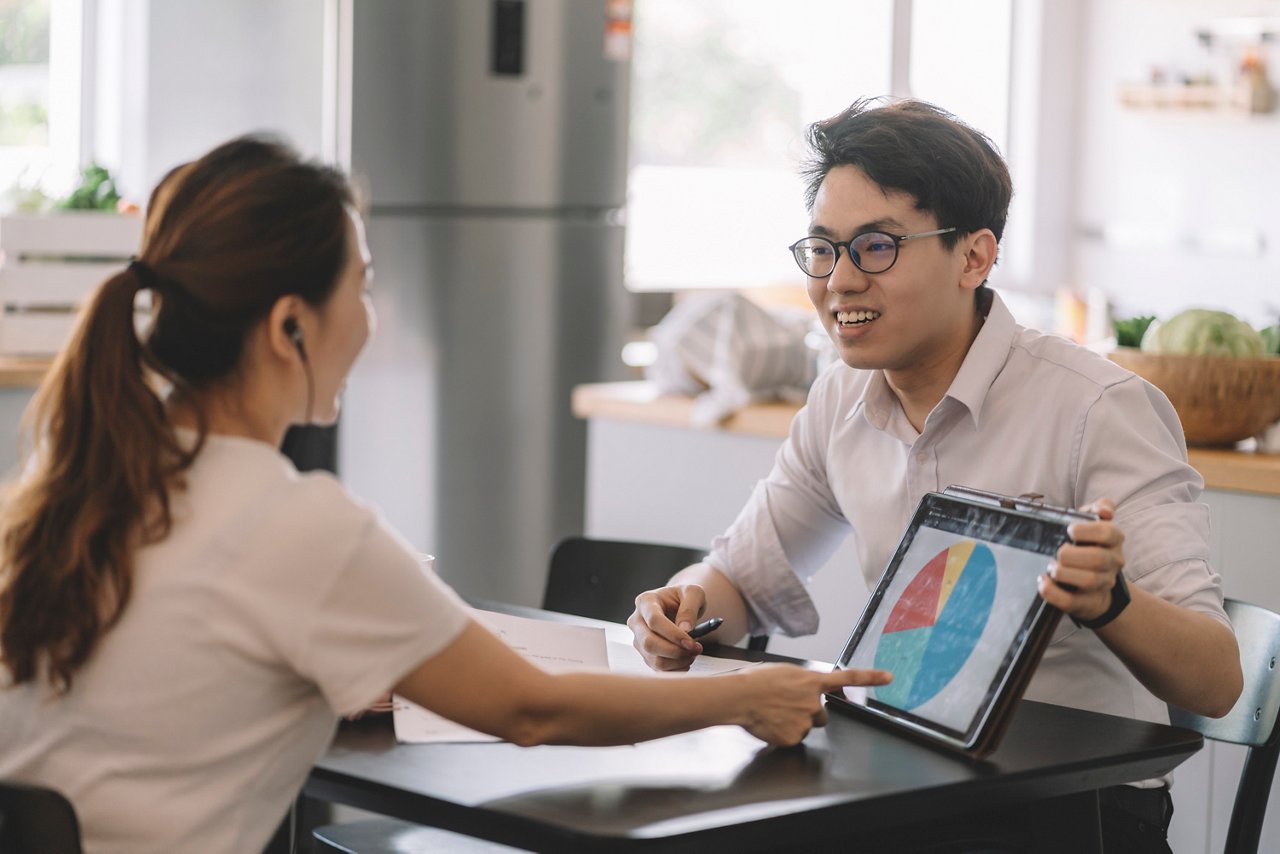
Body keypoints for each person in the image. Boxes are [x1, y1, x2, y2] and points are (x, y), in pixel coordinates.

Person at [0, 137, 892, 854]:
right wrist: (749, 694)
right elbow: (533, 706)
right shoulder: (294, 522)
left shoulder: (77, 490)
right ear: (289, 325)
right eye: (365, 284)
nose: (372, 315)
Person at [627, 99, 1243, 853]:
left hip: (1074, 809)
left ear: (974, 258)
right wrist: (680, 611)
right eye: (824, 249)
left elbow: (1216, 682)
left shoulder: (1097, 408)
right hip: (901, 785)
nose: (840, 282)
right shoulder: (840, 396)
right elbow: (742, 576)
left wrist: (1110, 600)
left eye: (876, 248)